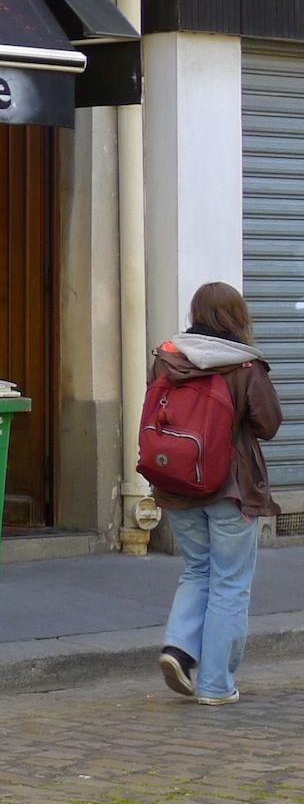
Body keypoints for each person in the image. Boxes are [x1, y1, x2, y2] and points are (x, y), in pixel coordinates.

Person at [153, 281, 284, 706]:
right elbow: (269, 424)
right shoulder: (244, 365)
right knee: (230, 582)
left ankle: (178, 649)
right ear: (237, 316)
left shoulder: (167, 358)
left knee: (197, 571)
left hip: (178, 483)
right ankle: (215, 685)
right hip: (231, 490)